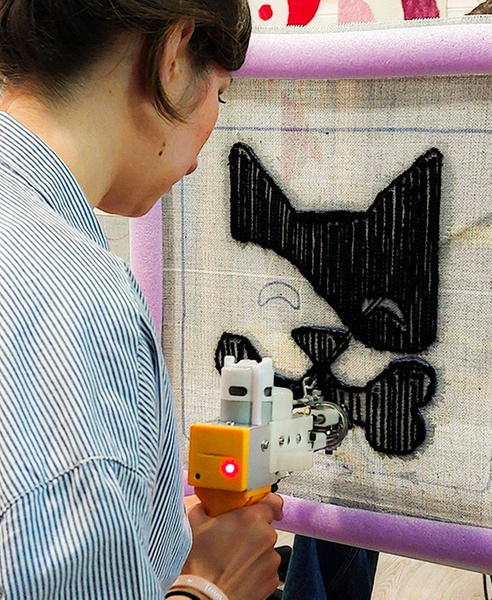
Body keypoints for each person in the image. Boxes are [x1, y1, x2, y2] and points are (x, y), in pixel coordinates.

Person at [0, 2, 283, 600]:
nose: (205, 146)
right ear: (173, 55)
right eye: (219, 95)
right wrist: (209, 585)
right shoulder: (80, 305)